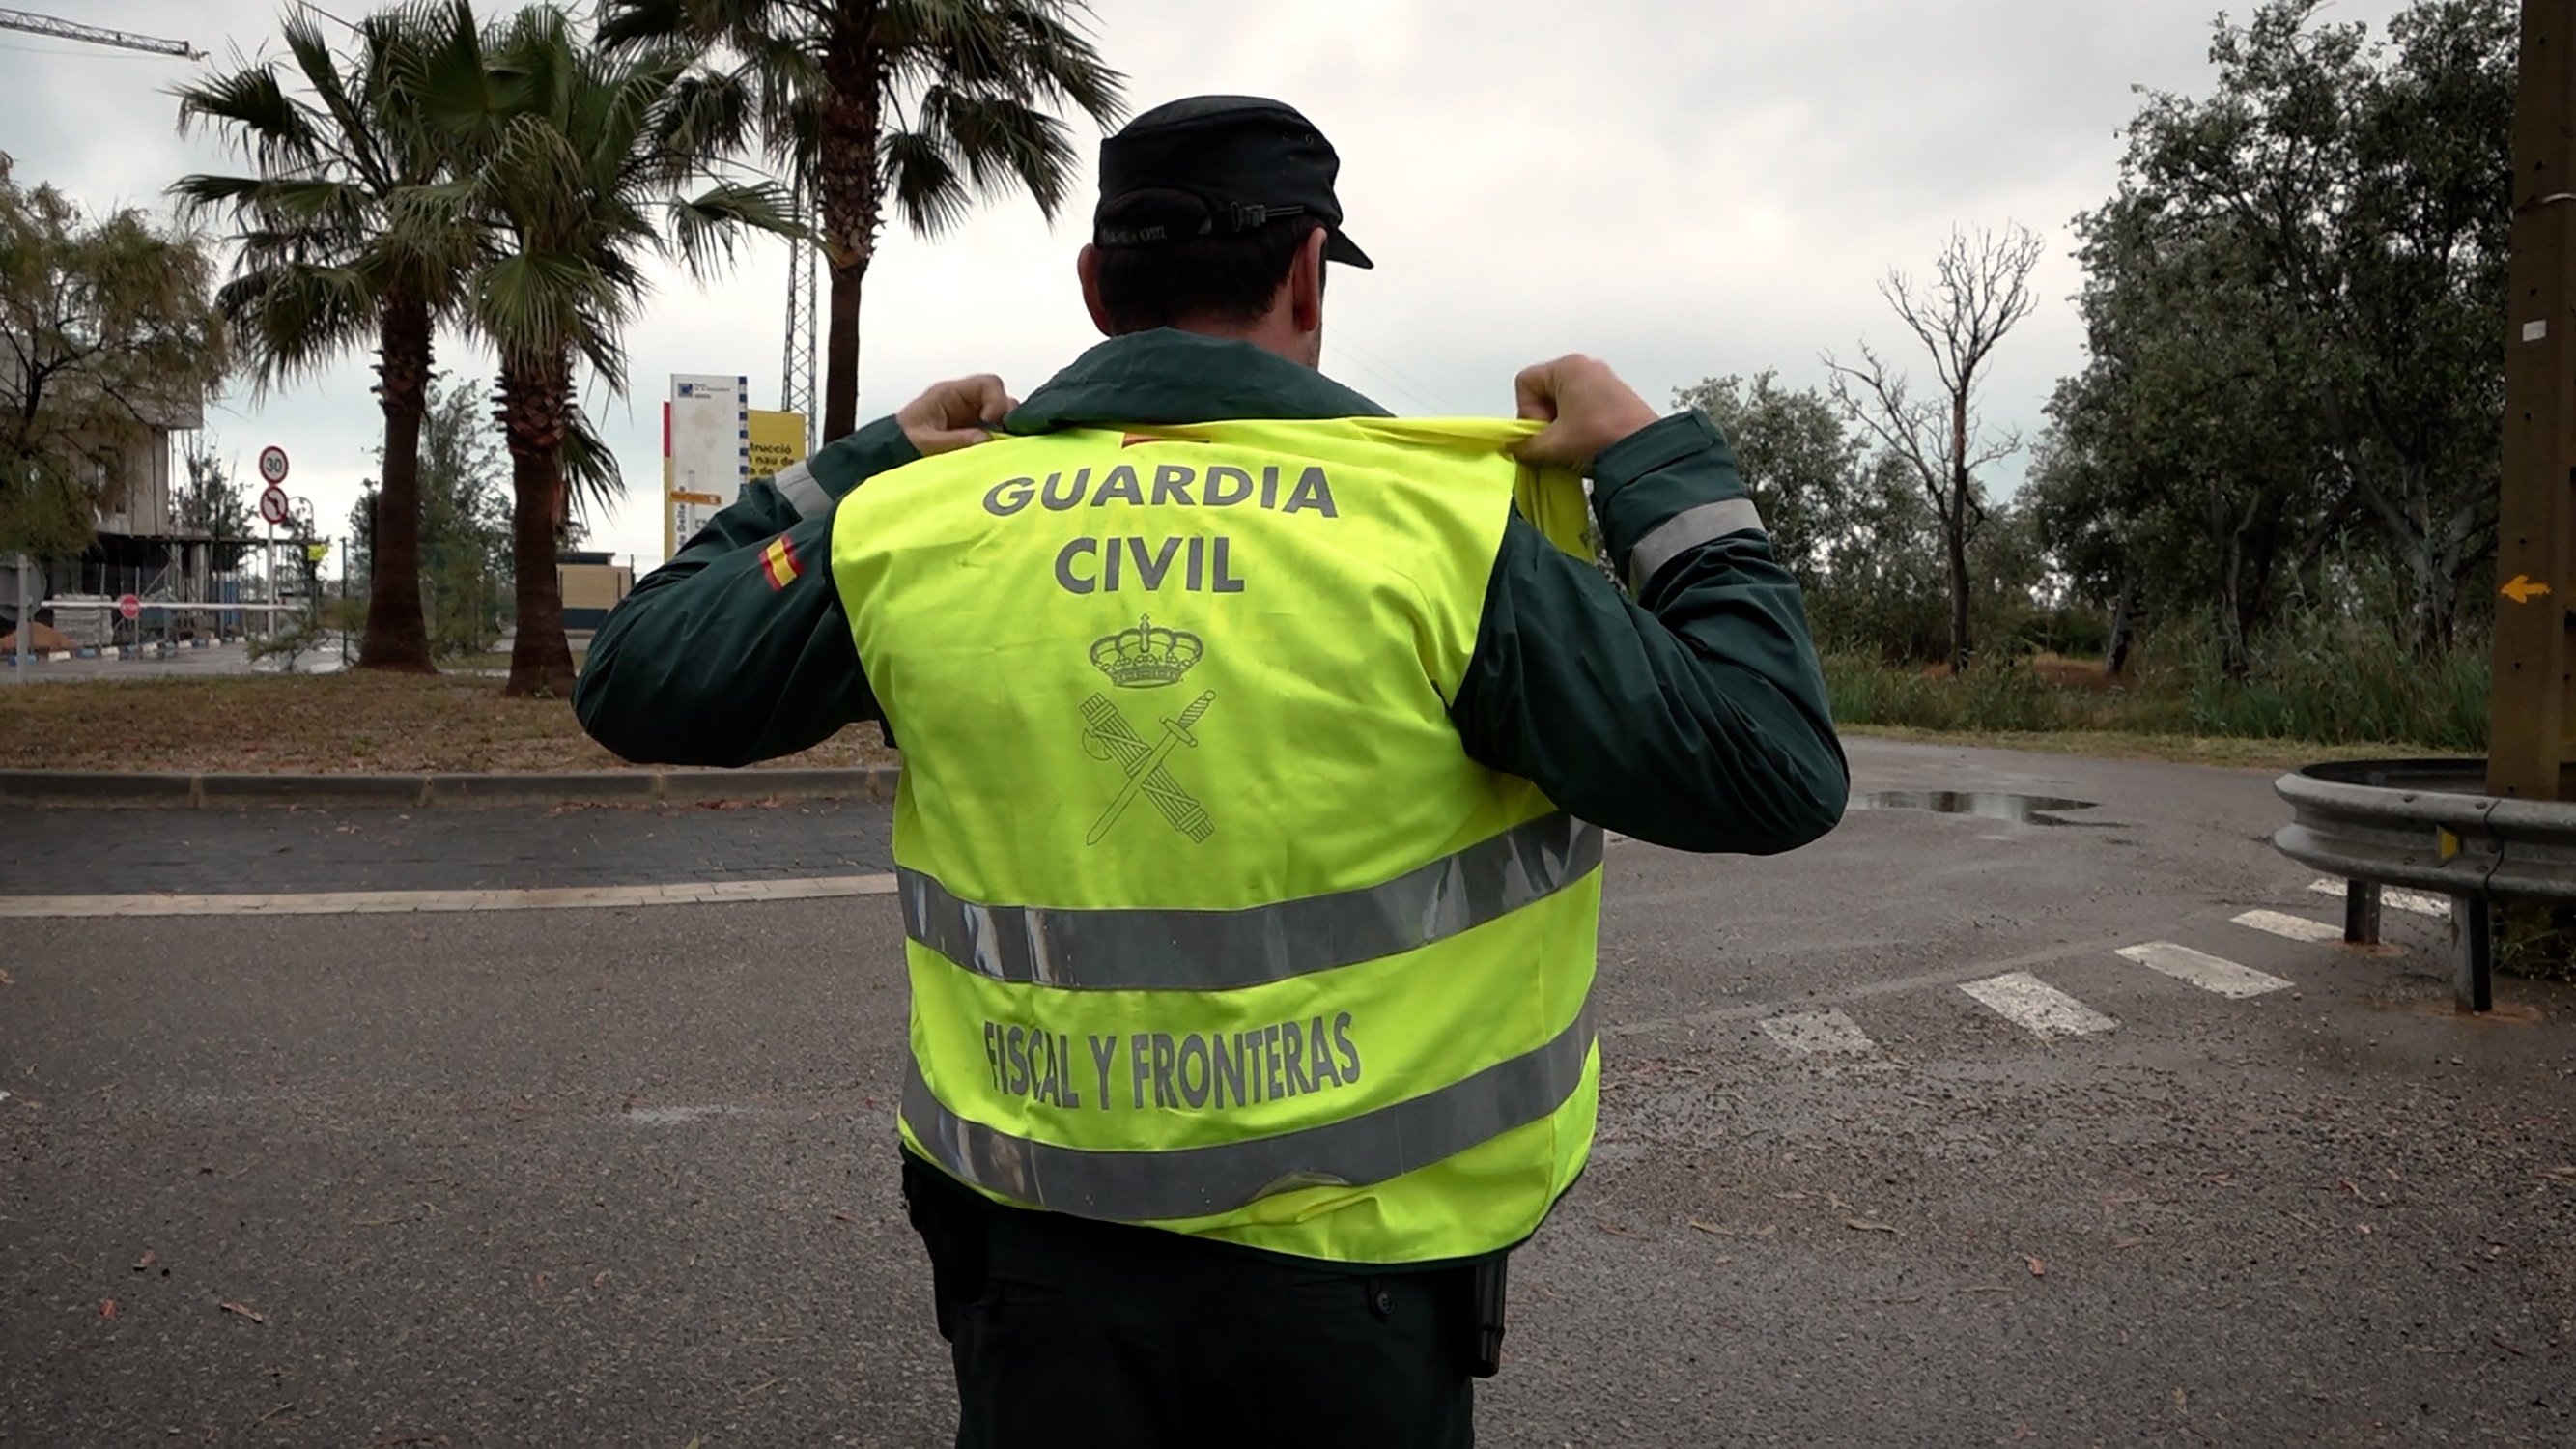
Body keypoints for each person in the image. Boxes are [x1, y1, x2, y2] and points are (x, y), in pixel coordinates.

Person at [576, 95, 1847, 1448]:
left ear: (1095, 287)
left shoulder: (921, 527)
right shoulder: (1433, 532)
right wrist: (1656, 469)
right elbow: (1770, 764)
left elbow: (638, 673)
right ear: (1309, 274)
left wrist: (870, 461)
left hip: (1034, 1274)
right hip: (1356, 1289)